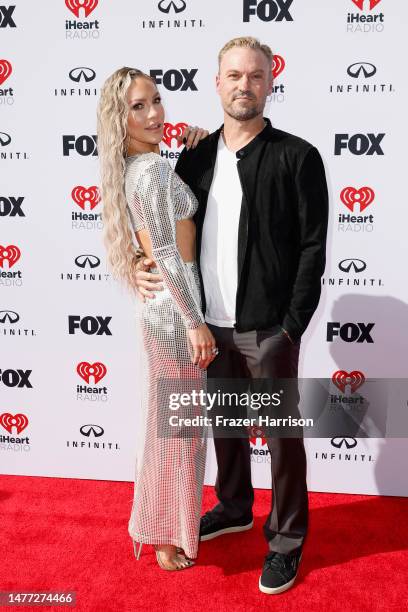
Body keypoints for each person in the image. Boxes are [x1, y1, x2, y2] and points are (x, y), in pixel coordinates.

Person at [135, 37, 329, 594]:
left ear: (270, 83)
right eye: (234, 75)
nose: (245, 85)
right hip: (208, 326)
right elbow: (162, 231)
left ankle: (287, 540)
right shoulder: (192, 157)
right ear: (216, 82)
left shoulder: (299, 156)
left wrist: (291, 325)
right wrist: (138, 264)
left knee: (283, 439)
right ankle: (235, 506)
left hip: (270, 327)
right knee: (224, 428)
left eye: (256, 76)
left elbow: (313, 248)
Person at [96, 67, 217, 571]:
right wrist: (195, 321)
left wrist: (196, 146)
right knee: (180, 434)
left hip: (165, 310)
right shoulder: (149, 173)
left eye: (156, 101)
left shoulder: (142, 167)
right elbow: (167, 255)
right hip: (175, 315)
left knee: (170, 428)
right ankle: (168, 540)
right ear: (118, 120)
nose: (153, 114)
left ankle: (159, 529)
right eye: (138, 107)